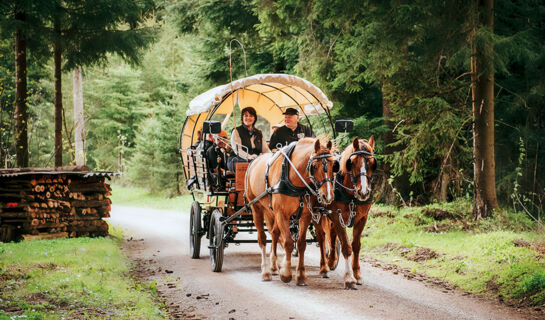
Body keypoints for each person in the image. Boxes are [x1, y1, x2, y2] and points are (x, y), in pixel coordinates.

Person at [228, 106, 269, 171]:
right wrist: (249, 156)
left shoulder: (259, 133)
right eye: (246, 116)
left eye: (251, 116)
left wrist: (270, 157)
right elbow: (238, 150)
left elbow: (265, 150)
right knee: (251, 165)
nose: (248, 118)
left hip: (256, 160)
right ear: (242, 118)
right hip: (238, 160)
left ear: (254, 118)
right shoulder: (236, 131)